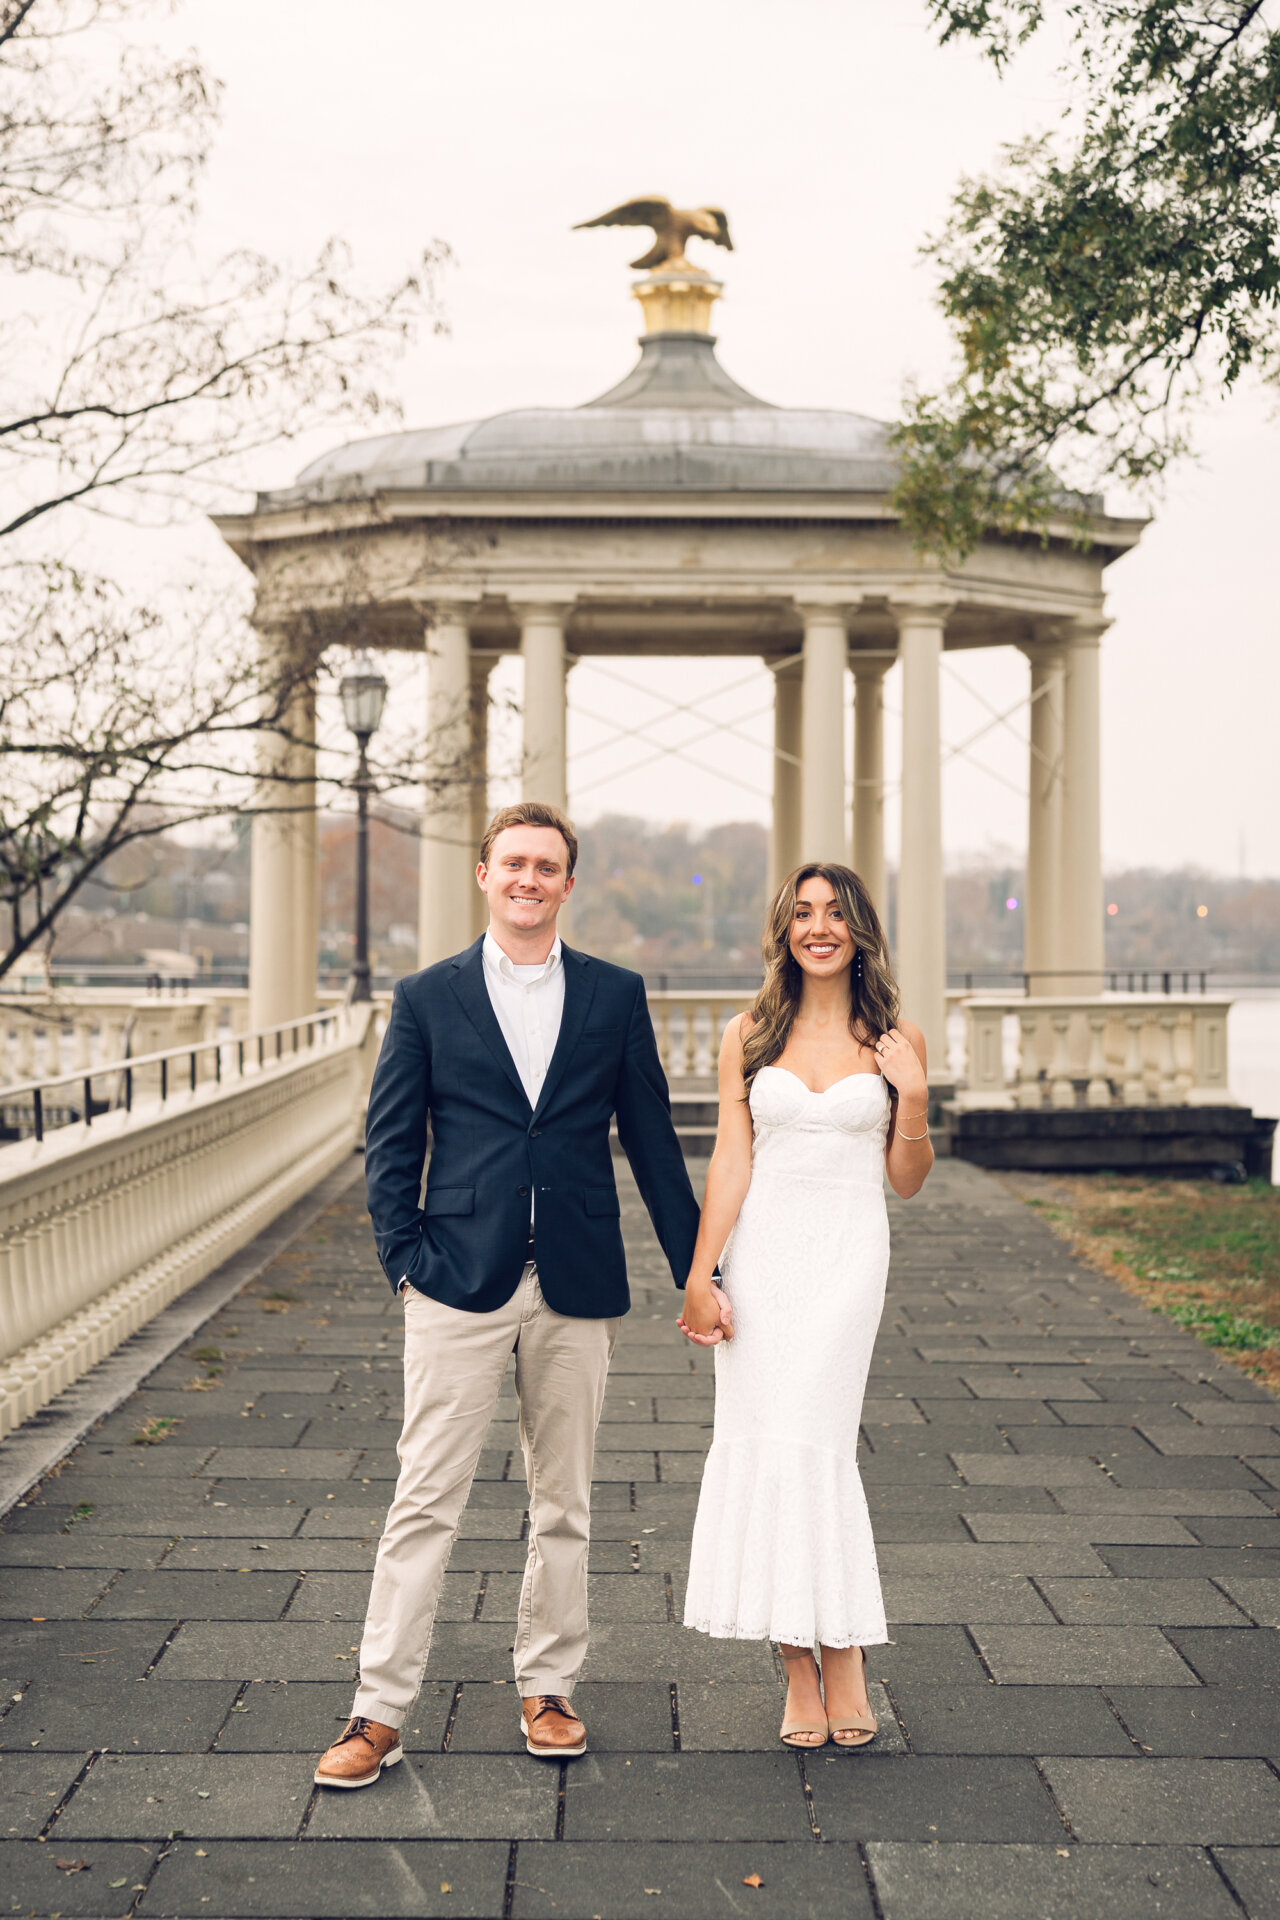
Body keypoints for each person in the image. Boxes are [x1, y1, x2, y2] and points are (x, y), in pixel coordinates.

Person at [315, 801, 700, 1788]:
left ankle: (548, 1687)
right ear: (483, 874)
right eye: (513, 862)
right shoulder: (426, 998)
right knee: (422, 1504)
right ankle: (379, 1707)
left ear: (568, 884)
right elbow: (391, 1142)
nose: (528, 878)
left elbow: (652, 1145)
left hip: (575, 1285)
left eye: (547, 866)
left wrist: (700, 1269)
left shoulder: (615, 995)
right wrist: (404, 1259)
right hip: (455, 1280)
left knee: (562, 1502)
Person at [679, 863, 933, 1749]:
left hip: (848, 1259)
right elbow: (731, 1161)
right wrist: (702, 1272)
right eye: (802, 913)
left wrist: (915, 1098)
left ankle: (849, 1655)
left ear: (860, 928)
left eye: (834, 913)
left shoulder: (897, 1039)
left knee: (817, 1444)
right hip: (764, 1259)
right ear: (783, 929)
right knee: (765, 1444)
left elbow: (905, 1180)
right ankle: (797, 1665)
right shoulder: (748, 1033)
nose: (817, 927)